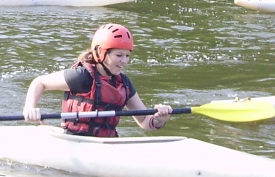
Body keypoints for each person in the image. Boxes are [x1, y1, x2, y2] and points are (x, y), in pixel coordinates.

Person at [23, 23, 173, 137]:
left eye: (127, 55)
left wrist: (160, 119)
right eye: (119, 55)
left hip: (106, 143)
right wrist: (30, 107)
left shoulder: (124, 84)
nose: (124, 61)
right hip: (74, 139)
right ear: (100, 53)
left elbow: (145, 122)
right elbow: (39, 82)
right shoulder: (81, 76)